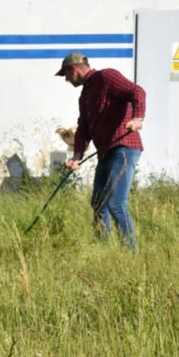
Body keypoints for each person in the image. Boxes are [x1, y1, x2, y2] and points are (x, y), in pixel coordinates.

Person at [58, 51, 146, 251]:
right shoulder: (85, 96)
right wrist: (77, 157)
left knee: (115, 202)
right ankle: (103, 249)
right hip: (106, 153)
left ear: (74, 69)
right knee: (98, 202)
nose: (66, 80)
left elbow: (137, 92)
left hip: (124, 148)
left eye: (66, 75)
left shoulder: (106, 77)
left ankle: (131, 255)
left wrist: (137, 118)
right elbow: (83, 129)